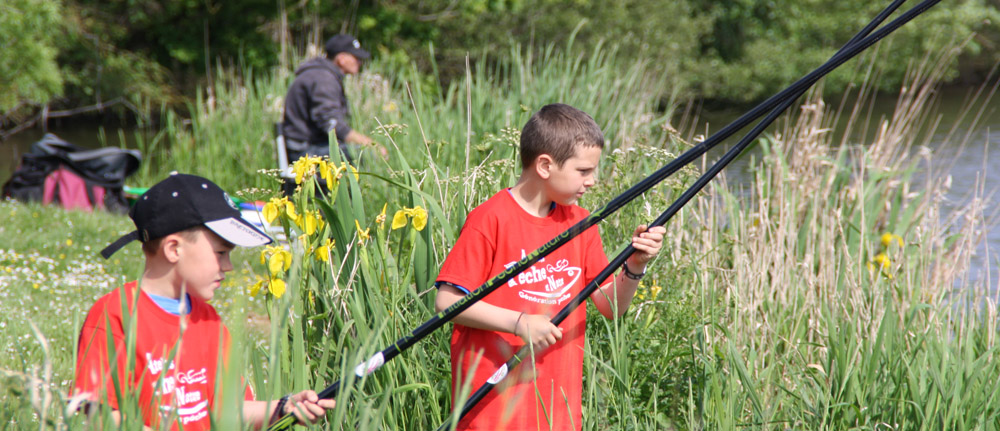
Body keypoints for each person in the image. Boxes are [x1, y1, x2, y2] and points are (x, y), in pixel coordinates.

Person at [434, 103, 667, 431]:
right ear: (545, 164)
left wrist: (635, 265)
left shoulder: (581, 223)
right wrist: (519, 323)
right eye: (583, 171)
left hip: (557, 409)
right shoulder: (490, 219)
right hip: (492, 410)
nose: (592, 181)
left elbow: (611, 306)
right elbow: (447, 302)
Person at [72, 173, 335, 430]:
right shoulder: (114, 316)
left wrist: (283, 407)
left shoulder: (208, 320)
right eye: (221, 253)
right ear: (174, 249)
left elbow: (229, 411)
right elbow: (101, 416)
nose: (228, 266)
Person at [282, 33, 385, 164]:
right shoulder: (323, 78)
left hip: (306, 146)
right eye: (356, 57)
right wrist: (371, 145)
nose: (360, 62)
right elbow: (331, 124)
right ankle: (352, 185)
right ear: (341, 58)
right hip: (304, 151)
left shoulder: (320, 74)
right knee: (369, 153)